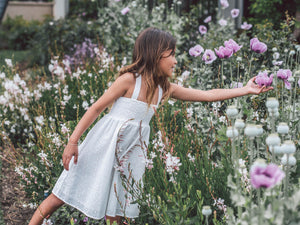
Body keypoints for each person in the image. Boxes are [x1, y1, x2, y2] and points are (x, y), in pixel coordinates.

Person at [29, 27, 272, 225]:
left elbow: (207, 94)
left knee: (117, 207)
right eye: (172, 54)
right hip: (103, 145)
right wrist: (73, 142)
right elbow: (95, 108)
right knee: (62, 194)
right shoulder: (128, 81)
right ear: (156, 54)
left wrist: (246, 89)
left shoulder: (164, 89)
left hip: (132, 153)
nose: (176, 61)